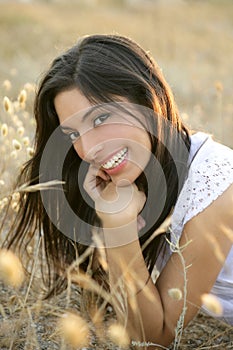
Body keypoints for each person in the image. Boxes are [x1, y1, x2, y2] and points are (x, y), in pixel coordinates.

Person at [3, 34, 233, 348]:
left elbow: (153, 338)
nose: (89, 148)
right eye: (72, 133)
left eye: (100, 118)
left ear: (146, 100)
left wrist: (119, 228)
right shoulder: (136, 179)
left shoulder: (216, 185)